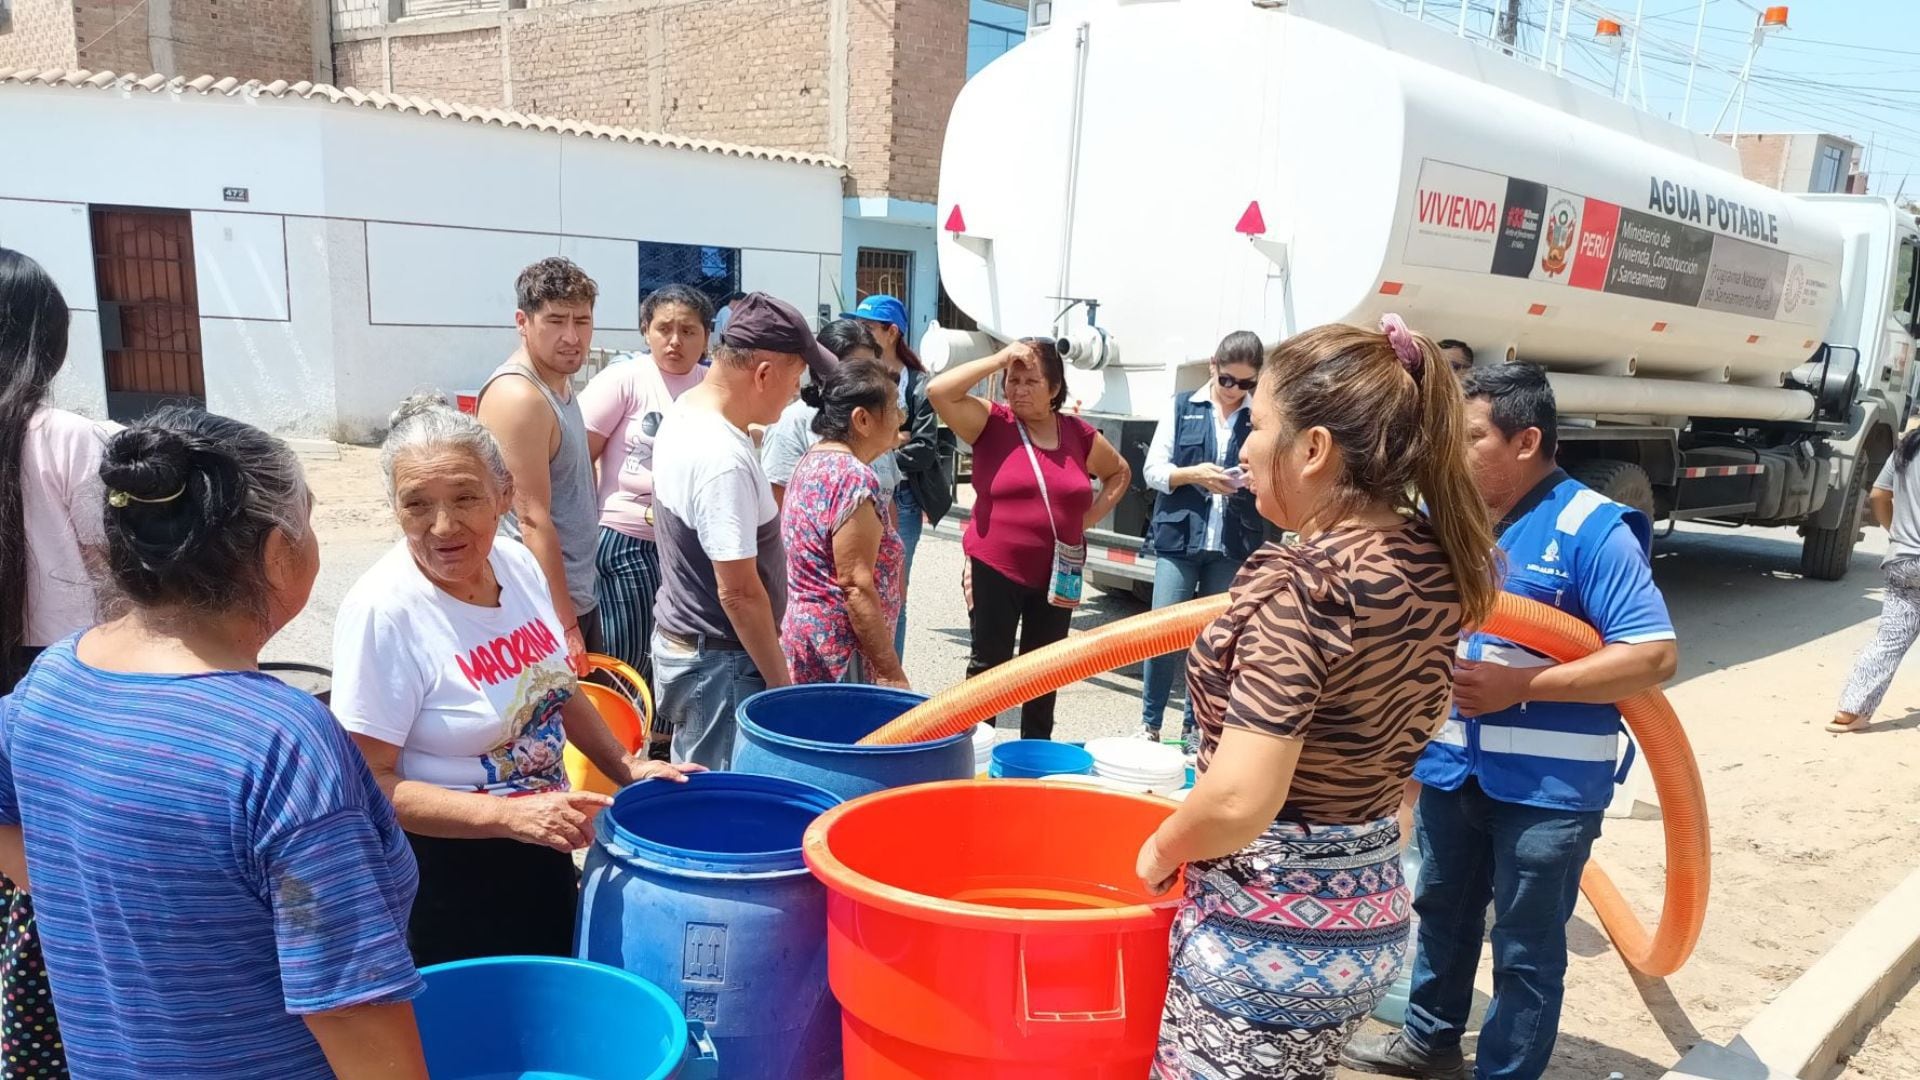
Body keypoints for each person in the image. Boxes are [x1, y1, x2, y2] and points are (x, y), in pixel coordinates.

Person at [0, 407, 427, 1079]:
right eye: (307, 520)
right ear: (277, 552)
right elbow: (351, 1008)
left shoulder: (51, 680)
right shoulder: (281, 742)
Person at [1132, 318, 1498, 1080]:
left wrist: (1159, 851)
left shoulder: (1303, 582)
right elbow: (1414, 733)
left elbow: (1239, 799)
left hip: (1268, 931)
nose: (1241, 449)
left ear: (1314, 448)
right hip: (1365, 910)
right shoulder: (1437, 557)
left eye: (1258, 425)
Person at [1345, 363, 1678, 1080]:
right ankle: (1429, 1042)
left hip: (1546, 787)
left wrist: (1523, 684)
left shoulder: (1592, 529)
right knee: (1442, 912)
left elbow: (1653, 656)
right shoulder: (1451, 520)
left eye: (1470, 438)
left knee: (1525, 947)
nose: (1453, 454)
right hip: (1453, 766)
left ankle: (1504, 1072)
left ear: (1526, 441)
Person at [331, 395, 698, 968]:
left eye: (465, 497)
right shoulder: (385, 611)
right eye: (417, 504)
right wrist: (511, 817)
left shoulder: (517, 564)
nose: (443, 526)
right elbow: (369, 783)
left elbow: (556, 687)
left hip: (541, 841)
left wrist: (627, 766)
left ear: (503, 494)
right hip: (443, 871)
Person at [651, 293, 838, 768]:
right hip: (720, 663)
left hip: (695, 649)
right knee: (716, 803)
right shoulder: (721, 457)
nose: (795, 393)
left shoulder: (688, 409)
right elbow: (738, 593)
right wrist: (781, 684)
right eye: (795, 379)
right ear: (763, 373)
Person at [927, 338, 1131, 740]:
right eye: (1012, 379)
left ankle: (1034, 760)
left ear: (1054, 388)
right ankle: (976, 759)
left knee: (1045, 672)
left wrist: (1083, 521)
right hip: (996, 569)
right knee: (990, 672)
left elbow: (1119, 473)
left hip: (1058, 573)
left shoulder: (1077, 434)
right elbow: (938, 391)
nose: (1018, 389)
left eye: (1031, 380)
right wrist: (999, 358)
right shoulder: (992, 423)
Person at [1138, 330, 1265, 753]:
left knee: (1214, 643)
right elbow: (1153, 471)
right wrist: (1195, 474)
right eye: (1228, 380)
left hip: (1232, 544)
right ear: (1213, 365)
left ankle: (1197, 727)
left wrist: (1250, 478)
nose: (1234, 392)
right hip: (1179, 539)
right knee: (1161, 633)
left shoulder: (1261, 416)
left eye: (1246, 384)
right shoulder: (1181, 407)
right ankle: (1149, 724)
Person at [579, 285, 713, 684]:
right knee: (632, 656)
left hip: (690, 545)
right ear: (645, 331)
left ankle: (664, 740)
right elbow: (579, 457)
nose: (675, 341)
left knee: (680, 654)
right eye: (663, 329)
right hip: (628, 539)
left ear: (707, 335)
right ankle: (626, 741)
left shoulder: (711, 386)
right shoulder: (624, 380)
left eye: (688, 331)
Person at [477, 257, 604, 676]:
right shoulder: (520, 397)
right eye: (555, 320)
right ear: (523, 321)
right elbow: (531, 520)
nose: (572, 337)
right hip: (538, 607)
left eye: (582, 321)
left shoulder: (559, 384)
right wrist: (565, 625)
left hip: (571, 594)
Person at [781, 360, 910, 687]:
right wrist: (889, 671)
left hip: (811, 643)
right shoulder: (852, 477)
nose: (901, 416)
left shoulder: (813, 459)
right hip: (841, 654)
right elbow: (855, 584)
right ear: (862, 420)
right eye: (894, 406)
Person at [844, 295, 952, 658]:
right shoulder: (858, 376)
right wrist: (891, 439)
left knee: (893, 592)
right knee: (853, 586)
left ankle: (891, 673)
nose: (860, 333)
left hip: (902, 500)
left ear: (892, 332)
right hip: (858, 496)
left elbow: (922, 448)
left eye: (868, 327)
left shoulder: (919, 384)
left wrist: (878, 446)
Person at [1827, 431, 1920, 732]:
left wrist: (1897, 533)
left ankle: (1850, 711)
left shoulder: (1907, 449)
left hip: (1903, 560)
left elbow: (1879, 495)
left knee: (1889, 640)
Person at [763, 319, 885, 507]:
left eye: (870, 369)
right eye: (854, 369)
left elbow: (888, 495)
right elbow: (779, 505)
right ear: (822, 370)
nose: (865, 380)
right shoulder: (792, 422)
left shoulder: (876, 418)